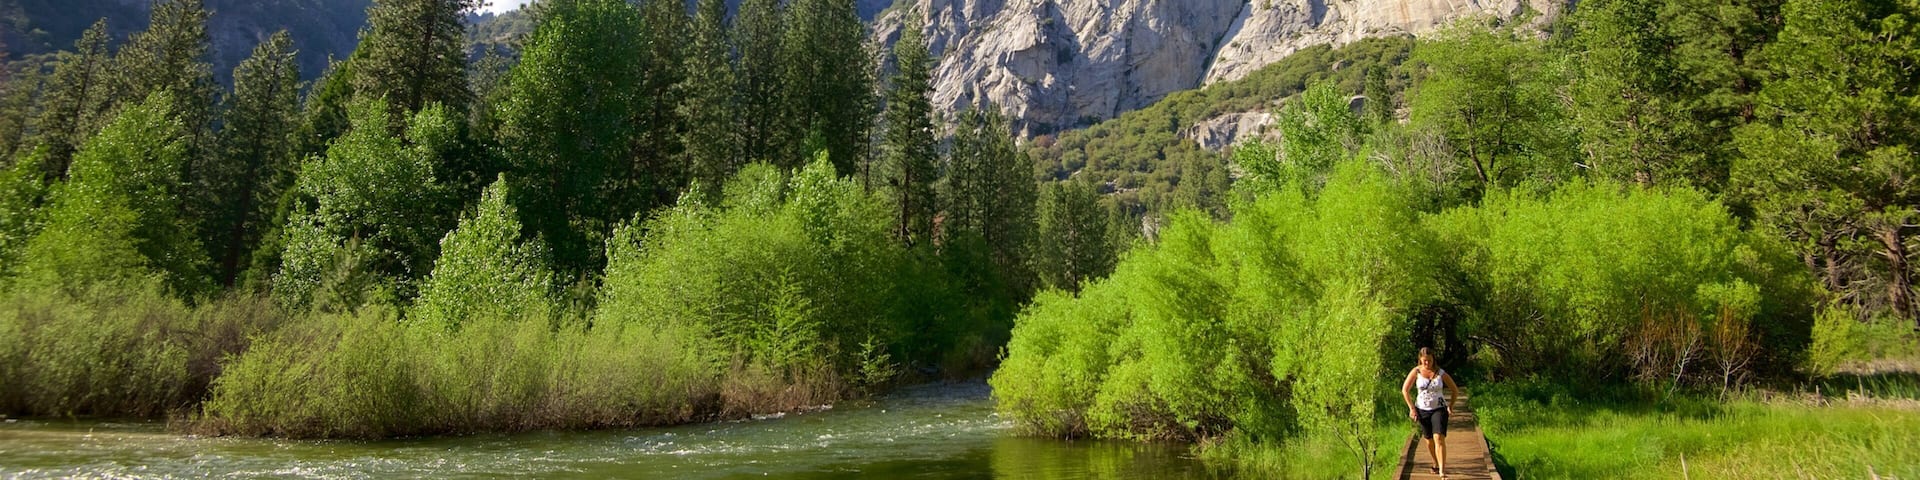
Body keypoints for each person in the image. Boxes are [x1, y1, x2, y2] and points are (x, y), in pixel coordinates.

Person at [1401, 347, 1460, 478]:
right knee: (1429, 440)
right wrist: (1411, 408)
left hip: (1439, 408)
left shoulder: (1440, 373)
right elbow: (1405, 390)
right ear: (1420, 360)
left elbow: (1455, 390)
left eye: (1429, 360)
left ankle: (1442, 471)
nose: (1427, 363)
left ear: (1433, 359)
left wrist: (1450, 405)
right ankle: (1436, 461)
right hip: (1422, 410)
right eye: (1424, 361)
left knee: (1438, 437)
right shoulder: (1416, 371)